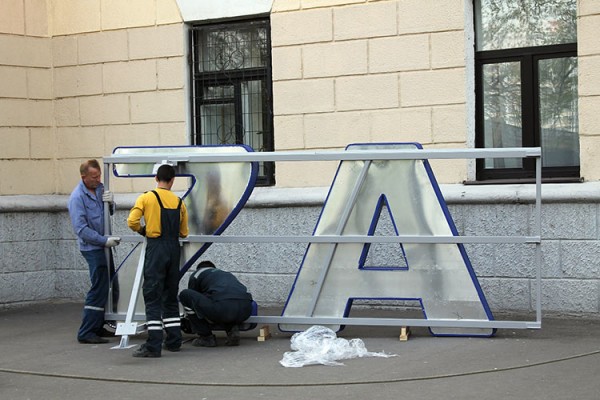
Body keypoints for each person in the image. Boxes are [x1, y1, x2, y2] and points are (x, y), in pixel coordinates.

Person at [127, 164, 189, 358]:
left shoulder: (146, 197)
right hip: (173, 248)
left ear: (156, 178)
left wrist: (143, 230)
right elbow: (184, 232)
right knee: (170, 295)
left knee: (152, 295)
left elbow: (132, 221)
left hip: (156, 248)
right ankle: (173, 341)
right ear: (172, 180)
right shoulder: (179, 202)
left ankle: (153, 345)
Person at [68, 159, 121, 344]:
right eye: (94, 176)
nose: (98, 179)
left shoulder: (99, 188)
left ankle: (99, 326)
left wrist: (111, 203)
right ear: (83, 177)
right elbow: (81, 229)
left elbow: (109, 213)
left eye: (99, 175)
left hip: (103, 245)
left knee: (111, 284)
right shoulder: (77, 198)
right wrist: (104, 240)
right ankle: (87, 331)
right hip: (93, 247)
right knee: (99, 287)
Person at [179, 260, 253, 347]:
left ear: (199, 268)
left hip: (222, 308)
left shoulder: (197, 274)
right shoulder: (226, 274)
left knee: (185, 295)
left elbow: (194, 301)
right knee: (224, 301)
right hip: (246, 309)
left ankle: (206, 337)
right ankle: (232, 330)